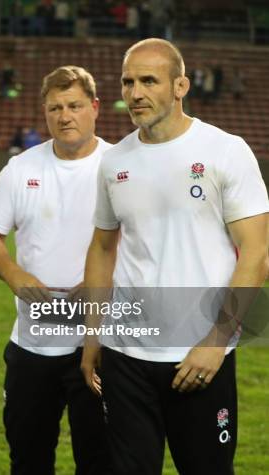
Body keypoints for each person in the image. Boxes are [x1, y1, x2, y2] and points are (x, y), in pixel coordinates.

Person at [81, 38, 269, 475]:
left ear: (181, 85)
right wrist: (94, 334)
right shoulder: (114, 161)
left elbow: (257, 254)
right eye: (128, 81)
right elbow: (103, 246)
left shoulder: (225, 151)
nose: (135, 92)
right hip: (125, 355)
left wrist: (217, 341)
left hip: (200, 355)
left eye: (149, 80)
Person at [0, 66, 112, 475]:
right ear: (44, 112)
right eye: (55, 107)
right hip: (32, 347)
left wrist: (101, 282)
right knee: (28, 458)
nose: (64, 115)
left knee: (101, 460)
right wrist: (15, 275)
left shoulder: (120, 166)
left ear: (95, 108)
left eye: (73, 106)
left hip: (101, 343)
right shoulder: (22, 168)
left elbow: (145, 246)